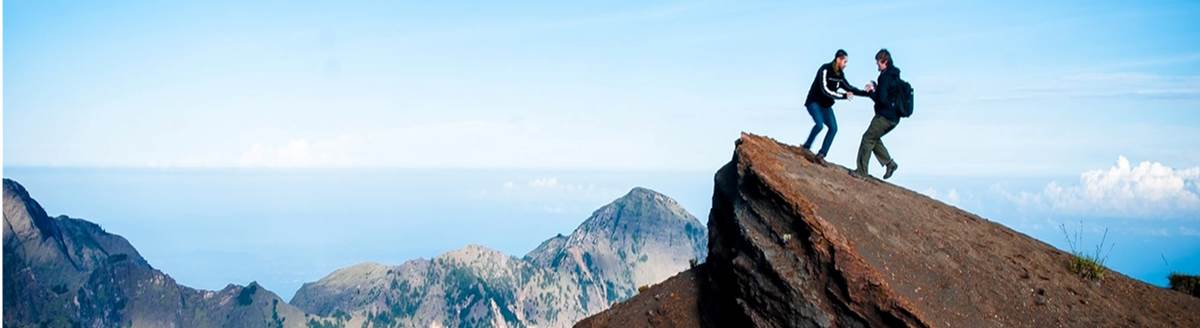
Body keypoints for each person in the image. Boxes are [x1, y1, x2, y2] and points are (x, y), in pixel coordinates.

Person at [803, 49, 868, 165]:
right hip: (814, 102)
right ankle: (805, 147)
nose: (846, 65)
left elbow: (850, 88)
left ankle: (821, 155)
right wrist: (843, 96)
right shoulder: (825, 69)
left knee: (833, 128)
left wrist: (868, 93)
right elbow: (825, 90)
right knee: (819, 125)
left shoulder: (840, 75)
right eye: (845, 62)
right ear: (838, 59)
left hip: (826, 106)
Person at [852, 48, 903, 179]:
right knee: (873, 138)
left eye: (878, 63)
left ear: (884, 61)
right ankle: (890, 164)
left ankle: (861, 172)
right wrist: (871, 89)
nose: (877, 67)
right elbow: (886, 95)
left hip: (884, 116)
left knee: (867, 138)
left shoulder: (885, 77)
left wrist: (871, 91)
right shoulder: (894, 76)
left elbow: (880, 99)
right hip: (894, 118)